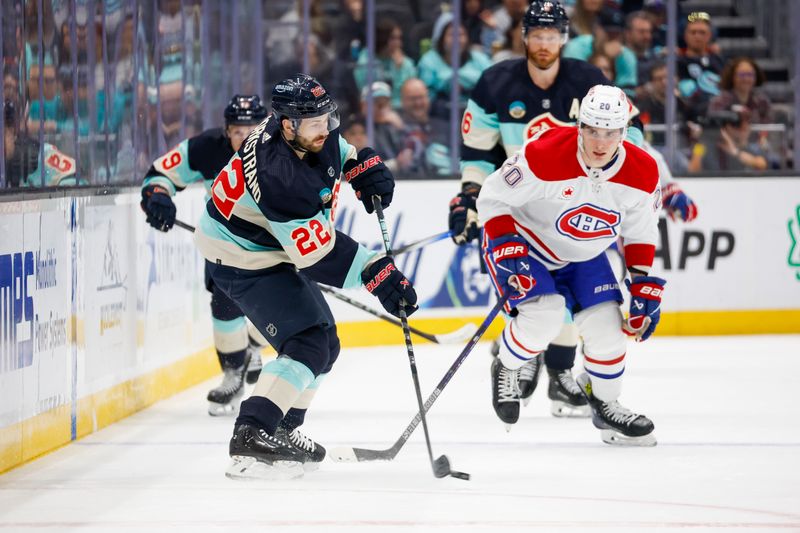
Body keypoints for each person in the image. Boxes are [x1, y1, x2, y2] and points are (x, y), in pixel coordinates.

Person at [193, 74, 417, 478]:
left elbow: (336, 146)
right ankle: (252, 436)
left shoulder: (303, 127)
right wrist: (377, 273)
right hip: (239, 254)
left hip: (264, 243)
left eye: (328, 118)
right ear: (287, 124)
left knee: (325, 343)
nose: (326, 128)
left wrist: (359, 164)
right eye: (316, 123)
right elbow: (316, 256)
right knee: (306, 340)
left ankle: (282, 427)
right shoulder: (281, 177)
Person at [451, 0, 616, 420]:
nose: (544, 44)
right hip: (519, 208)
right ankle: (525, 356)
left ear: (564, 37)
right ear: (523, 36)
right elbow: (477, 151)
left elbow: (623, 138)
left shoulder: (590, 82)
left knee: (571, 296)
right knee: (537, 298)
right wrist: (470, 198)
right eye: (537, 35)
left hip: (575, 205)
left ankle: (558, 373)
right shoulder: (494, 82)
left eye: (552, 35)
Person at [478, 84, 662, 446]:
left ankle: (605, 405)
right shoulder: (545, 153)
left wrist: (642, 285)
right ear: (580, 125)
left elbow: (641, 232)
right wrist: (506, 246)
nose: (599, 142)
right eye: (592, 130)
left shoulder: (642, 171)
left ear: (624, 132)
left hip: (583, 255)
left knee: (609, 332)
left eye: (610, 133)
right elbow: (493, 197)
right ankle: (508, 362)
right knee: (544, 316)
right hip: (526, 244)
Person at [140, 95, 268, 416]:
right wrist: (157, 196)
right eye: (239, 131)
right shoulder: (208, 147)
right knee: (224, 303)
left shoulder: (282, 151)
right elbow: (161, 173)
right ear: (226, 131)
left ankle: (253, 346)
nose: (246, 137)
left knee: (272, 305)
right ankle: (233, 372)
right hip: (223, 242)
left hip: (272, 244)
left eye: (253, 130)